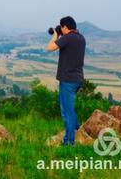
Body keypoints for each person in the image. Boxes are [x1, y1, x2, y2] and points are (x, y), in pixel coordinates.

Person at [46, 16, 86, 146]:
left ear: (64, 27)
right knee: (69, 108)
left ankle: (69, 141)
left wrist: (56, 35)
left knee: (66, 111)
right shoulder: (81, 38)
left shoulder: (68, 38)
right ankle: (76, 129)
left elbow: (50, 47)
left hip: (67, 81)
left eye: (61, 27)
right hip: (77, 79)